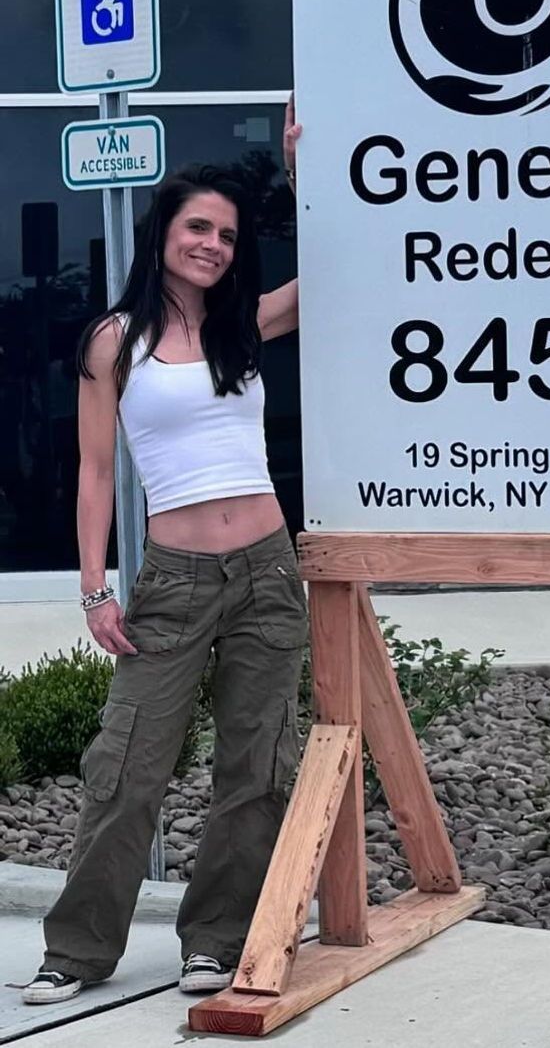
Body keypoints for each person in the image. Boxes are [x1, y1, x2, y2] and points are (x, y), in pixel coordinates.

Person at [22, 100, 305, 1004]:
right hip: (174, 580)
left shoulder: (242, 326)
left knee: (256, 767)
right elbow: (97, 473)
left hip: (266, 569)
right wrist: (94, 588)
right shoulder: (115, 340)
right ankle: (76, 949)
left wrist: (299, 177)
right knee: (127, 766)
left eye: (225, 233)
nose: (213, 244)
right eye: (197, 227)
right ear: (164, 233)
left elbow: (340, 274)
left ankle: (215, 939)